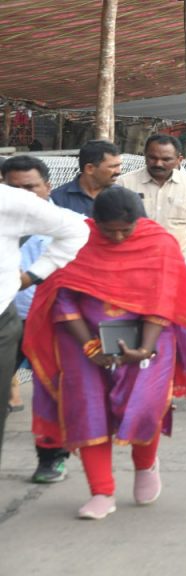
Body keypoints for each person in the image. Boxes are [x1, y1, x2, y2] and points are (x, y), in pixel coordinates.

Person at [24, 187, 186, 519]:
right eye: (109, 230)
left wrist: (145, 348)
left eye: (126, 229)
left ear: (140, 221)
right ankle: (101, 492)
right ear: (95, 222)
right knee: (87, 408)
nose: (117, 237)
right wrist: (90, 347)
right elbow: (60, 295)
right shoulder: (77, 239)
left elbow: (164, 296)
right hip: (80, 339)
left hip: (150, 337)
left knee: (145, 405)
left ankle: (146, 465)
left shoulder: (159, 242)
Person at [0, 183, 88, 468]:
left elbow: (76, 231)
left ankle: (51, 457)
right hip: (16, 313)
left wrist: (32, 276)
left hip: (16, 317)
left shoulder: (15, 202)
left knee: (49, 386)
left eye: (30, 185)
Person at [118, 134, 186, 288]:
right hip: (134, 265)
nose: (158, 163)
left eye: (166, 159)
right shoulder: (123, 184)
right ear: (145, 156)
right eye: (152, 158)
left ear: (179, 160)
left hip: (180, 264)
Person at [4, 156, 52, 416]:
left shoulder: (73, 224)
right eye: (14, 188)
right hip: (10, 317)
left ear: (48, 187)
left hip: (56, 318)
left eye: (30, 187)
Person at [51, 139, 122, 216]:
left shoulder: (124, 198)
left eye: (119, 165)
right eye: (112, 166)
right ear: (90, 168)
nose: (118, 171)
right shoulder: (57, 200)